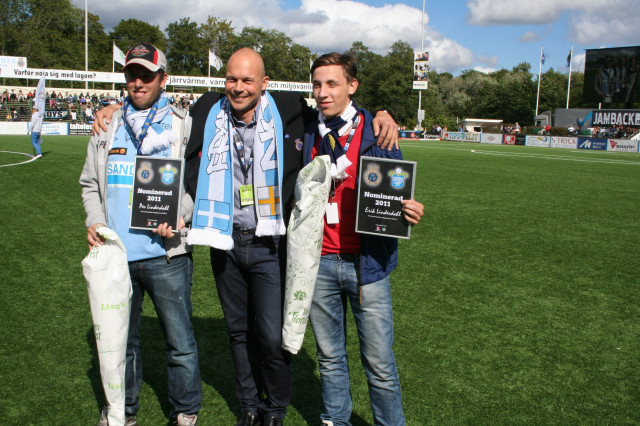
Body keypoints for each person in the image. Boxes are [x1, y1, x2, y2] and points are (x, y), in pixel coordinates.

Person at [92, 47, 398, 426]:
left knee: (272, 335)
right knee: (238, 333)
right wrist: (113, 107)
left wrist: (380, 114)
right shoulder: (207, 108)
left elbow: (336, 105)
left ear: (264, 83)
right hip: (226, 240)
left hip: (271, 243)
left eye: (247, 80)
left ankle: (276, 408)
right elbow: (168, 131)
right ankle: (250, 406)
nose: (238, 87)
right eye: (232, 79)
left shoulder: (289, 109)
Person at [79, 43, 201, 426]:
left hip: (166, 254)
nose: (138, 81)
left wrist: (180, 216)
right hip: (117, 257)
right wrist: (95, 221)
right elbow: (88, 185)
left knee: (179, 343)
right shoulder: (105, 124)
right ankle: (121, 411)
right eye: (132, 74)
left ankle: (185, 411)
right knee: (122, 343)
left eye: (147, 75)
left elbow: (198, 185)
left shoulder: (185, 124)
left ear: (163, 79)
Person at [302, 52, 424, 426]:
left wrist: (410, 211)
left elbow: (397, 192)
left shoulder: (379, 131)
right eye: (318, 84)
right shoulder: (306, 129)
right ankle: (335, 419)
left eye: (333, 83)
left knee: (380, 363)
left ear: (352, 86)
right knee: (329, 358)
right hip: (319, 260)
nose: (323, 92)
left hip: (367, 264)